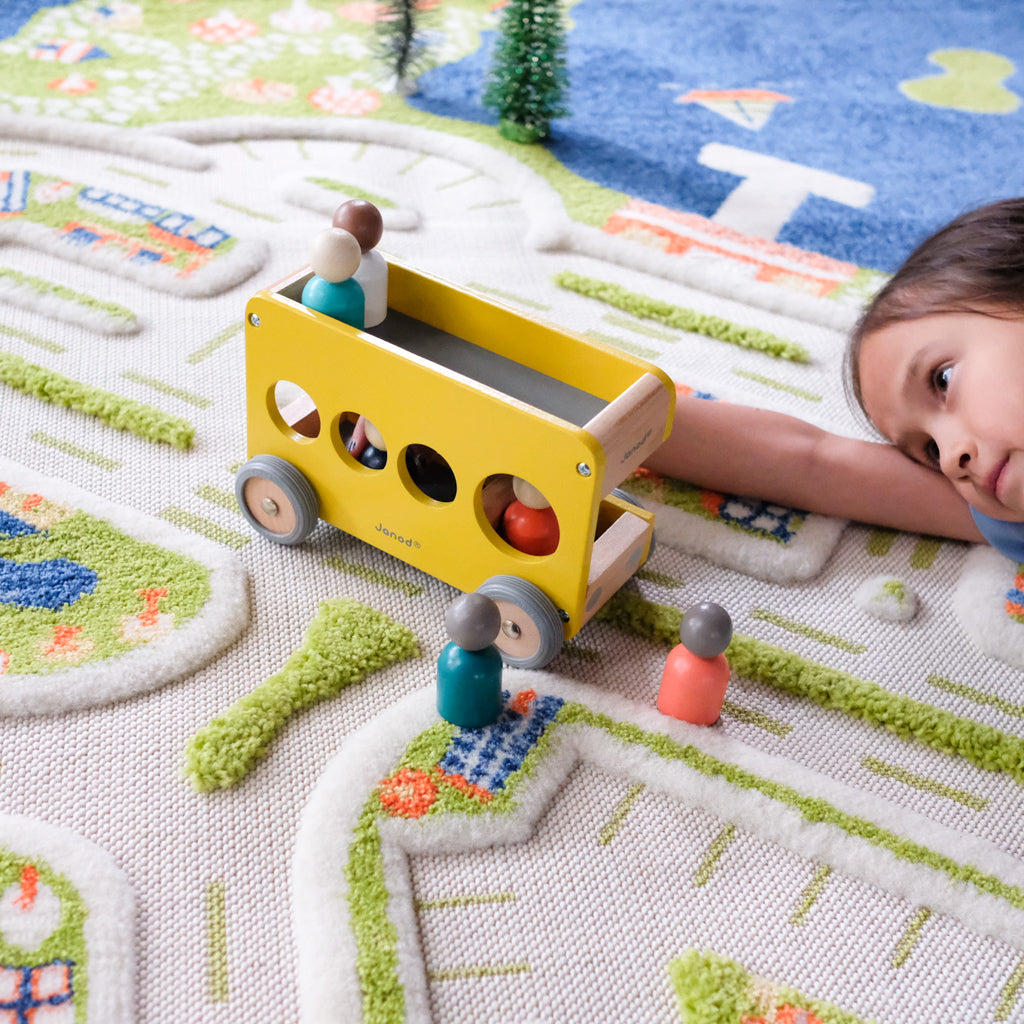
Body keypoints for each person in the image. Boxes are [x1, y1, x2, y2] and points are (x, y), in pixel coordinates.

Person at [645, 198, 1024, 557]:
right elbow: (814, 465)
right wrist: (622, 410)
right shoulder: (1008, 520)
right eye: (931, 452)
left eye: (942, 380)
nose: (951, 460)